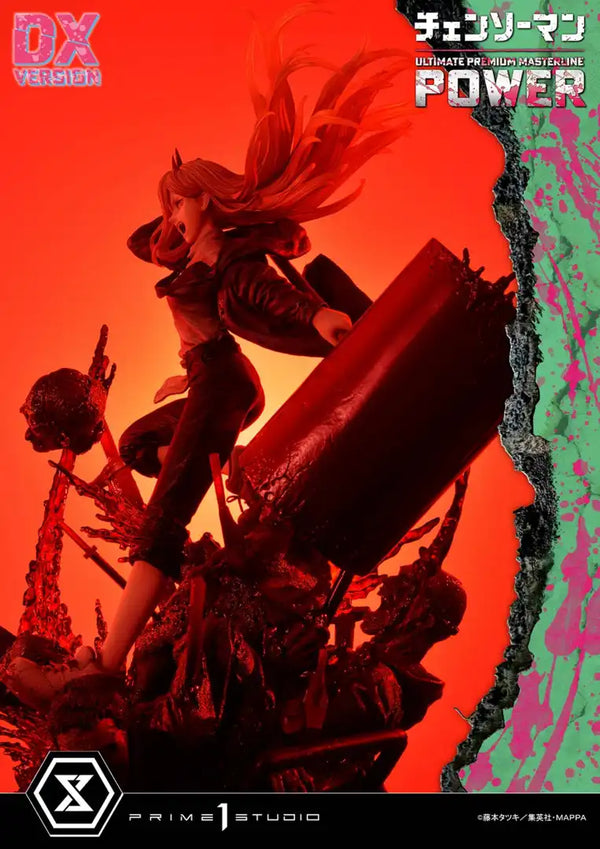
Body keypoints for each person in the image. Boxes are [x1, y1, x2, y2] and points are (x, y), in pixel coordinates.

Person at [4, 11, 409, 707]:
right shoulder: (196, 256)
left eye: (180, 205)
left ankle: (105, 662)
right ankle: (229, 465)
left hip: (225, 382)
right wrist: (180, 210)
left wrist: (317, 315)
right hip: (210, 378)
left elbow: (269, 296)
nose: (171, 218)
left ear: (206, 202)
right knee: (141, 444)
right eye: (170, 207)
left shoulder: (229, 263)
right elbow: (146, 244)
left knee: (164, 517)